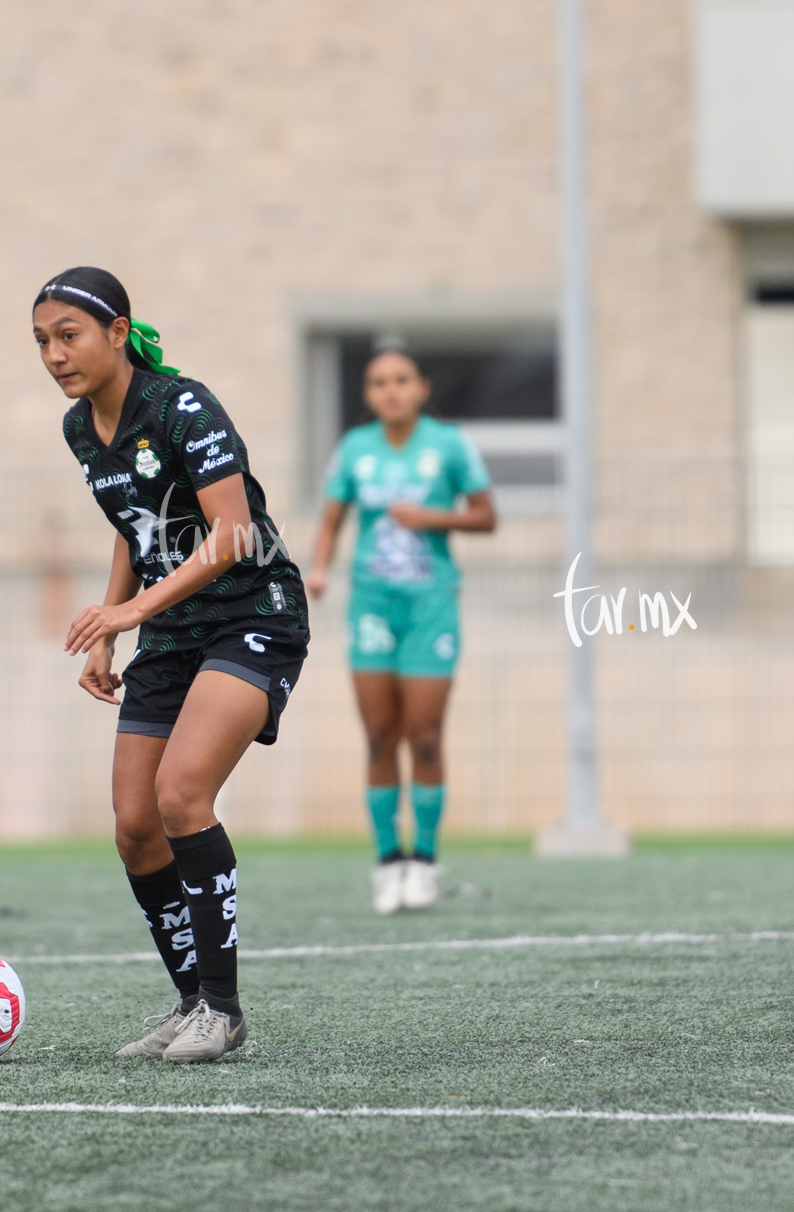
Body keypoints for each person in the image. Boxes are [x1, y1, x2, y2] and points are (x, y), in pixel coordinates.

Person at [33, 265, 309, 1063]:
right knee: (134, 828)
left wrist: (128, 612)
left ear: (119, 332)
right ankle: (191, 1001)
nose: (55, 354)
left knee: (182, 793)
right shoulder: (81, 428)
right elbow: (131, 523)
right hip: (171, 632)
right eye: (43, 341)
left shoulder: (183, 404)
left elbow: (230, 533)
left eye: (70, 335)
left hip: (252, 615)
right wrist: (108, 632)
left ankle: (222, 1011)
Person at [305, 349, 496, 915]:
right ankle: (389, 863)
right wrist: (318, 569)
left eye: (401, 380)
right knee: (379, 734)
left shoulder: (450, 444)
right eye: (378, 382)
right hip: (371, 604)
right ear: (368, 394)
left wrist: (433, 517)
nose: (390, 390)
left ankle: (425, 861)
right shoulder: (354, 450)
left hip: (431, 604)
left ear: (421, 387)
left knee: (427, 734)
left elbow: (486, 516)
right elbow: (332, 519)